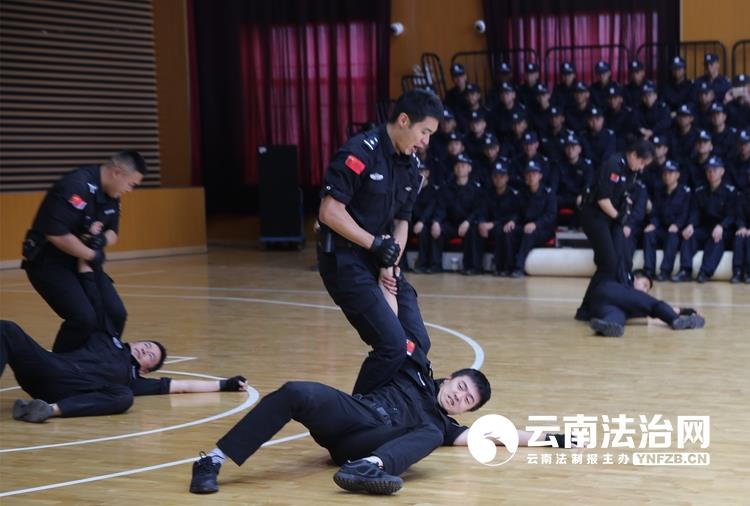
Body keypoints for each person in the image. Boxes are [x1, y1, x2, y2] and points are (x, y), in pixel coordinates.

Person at [317, 89, 442, 395]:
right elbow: (329, 212)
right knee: (392, 345)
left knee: (417, 341)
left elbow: (402, 221)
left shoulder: (411, 166)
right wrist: (375, 245)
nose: (426, 141)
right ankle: (357, 413)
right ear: (404, 120)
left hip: (381, 259)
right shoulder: (361, 152)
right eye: (424, 132)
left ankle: (394, 406)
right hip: (345, 262)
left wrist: (390, 261)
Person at [21, 150, 147, 353]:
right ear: (117, 172)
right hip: (49, 264)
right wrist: (92, 254)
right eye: (131, 184)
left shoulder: (112, 194)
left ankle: (99, 361)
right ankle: (61, 367)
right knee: (83, 318)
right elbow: (56, 234)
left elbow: (113, 232)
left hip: (82, 262)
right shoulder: (76, 185)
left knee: (115, 313)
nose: (130, 190)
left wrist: (101, 240)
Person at [0, 320, 247, 422]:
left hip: (67, 393)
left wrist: (225, 384)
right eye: (146, 345)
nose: (145, 350)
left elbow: (183, 386)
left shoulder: (133, 379)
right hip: (49, 367)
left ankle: (44, 410)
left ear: (145, 370)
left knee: (124, 396)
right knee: (7, 329)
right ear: (135, 341)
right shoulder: (104, 338)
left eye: (151, 356)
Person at [575, 140, 655, 321]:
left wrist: (625, 205)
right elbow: (603, 200)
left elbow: (624, 192)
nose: (642, 167)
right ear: (633, 155)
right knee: (609, 263)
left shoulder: (632, 171)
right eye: (642, 162)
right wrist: (620, 217)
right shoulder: (614, 164)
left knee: (620, 260)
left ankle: (601, 304)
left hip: (611, 217)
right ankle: (586, 308)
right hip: (595, 216)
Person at [673, 156, 737, 283]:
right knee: (689, 235)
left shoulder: (730, 191)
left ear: (722, 171)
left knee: (716, 238)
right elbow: (695, 212)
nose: (711, 173)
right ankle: (685, 270)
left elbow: (732, 214)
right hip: (705, 227)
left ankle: (705, 272)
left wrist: (722, 226)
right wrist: (691, 225)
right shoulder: (700, 191)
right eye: (709, 170)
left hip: (723, 229)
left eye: (715, 170)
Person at [588, 270, 706, 338]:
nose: (644, 291)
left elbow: (665, 310)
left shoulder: (631, 303)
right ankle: (675, 320)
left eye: (647, 289)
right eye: (644, 285)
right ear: (635, 278)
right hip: (610, 289)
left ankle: (608, 324)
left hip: (599, 303)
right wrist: (677, 314)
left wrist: (686, 311)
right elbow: (654, 307)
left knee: (617, 316)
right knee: (653, 304)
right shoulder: (626, 278)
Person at [431, 154, 484, 274]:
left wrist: (468, 221)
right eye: (458, 166)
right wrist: (436, 221)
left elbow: (478, 210)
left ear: (469, 168)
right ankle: (435, 264)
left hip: (467, 224)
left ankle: (471, 267)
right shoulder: (447, 187)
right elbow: (441, 207)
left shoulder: (476, 188)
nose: (460, 168)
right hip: (451, 223)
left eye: (463, 165)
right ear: (454, 169)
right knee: (436, 228)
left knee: (474, 230)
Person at [642, 160, 691, 281]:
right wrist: (653, 224)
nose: (667, 176)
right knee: (649, 233)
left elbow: (686, 213)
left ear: (677, 175)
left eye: (670, 173)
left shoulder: (685, 192)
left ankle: (665, 271)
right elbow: (656, 212)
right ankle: (649, 270)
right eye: (665, 173)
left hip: (677, 229)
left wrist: (677, 225)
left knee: (672, 236)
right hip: (662, 227)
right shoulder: (659, 191)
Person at [509, 160, 557, 277]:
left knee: (529, 234)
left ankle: (519, 268)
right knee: (509, 232)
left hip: (543, 229)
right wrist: (512, 221)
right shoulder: (522, 192)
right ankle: (506, 266)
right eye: (529, 174)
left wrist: (536, 224)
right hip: (525, 225)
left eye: (534, 174)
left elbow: (550, 215)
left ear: (540, 176)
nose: (531, 177)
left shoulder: (548, 193)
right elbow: (517, 212)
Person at [478, 160, 521, 276]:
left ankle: (506, 267)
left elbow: (515, 214)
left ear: (507, 178)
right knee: (475, 229)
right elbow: (482, 211)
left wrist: (494, 224)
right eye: (496, 176)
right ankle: (475, 266)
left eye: (501, 176)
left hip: (505, 225)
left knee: (504, 232)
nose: (498, 179)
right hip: (490, 226)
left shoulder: (513, 195)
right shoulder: (487, 194)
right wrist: (481, 223)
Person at [732, 168, 750, 283]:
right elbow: (739, 214)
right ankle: (737, 271)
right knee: (739, 236)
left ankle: (749, 272)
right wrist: (742, 226)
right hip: (746, 228)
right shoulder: (744, 194)